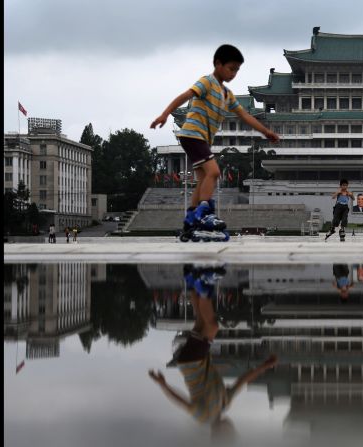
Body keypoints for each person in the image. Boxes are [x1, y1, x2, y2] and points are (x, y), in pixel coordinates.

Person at [151, 44, 280, 237]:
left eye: (237, 70)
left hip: (198, 139)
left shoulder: (226, 94)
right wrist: (164, 114)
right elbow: (185, 95)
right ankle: (204, 214)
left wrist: (265, 132)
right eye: (231, 68)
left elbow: (245, 116)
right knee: (214, 172)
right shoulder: (207, 82)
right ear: (218, 64)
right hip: (193, 134)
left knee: (203, 180)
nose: (233, 73)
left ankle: (190, 221)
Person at [148, 265, 278, 434]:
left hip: (193, 363)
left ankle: (204, 285)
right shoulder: (223, 405)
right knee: (201, 322)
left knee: (212, 326)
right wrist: (264, 366)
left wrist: (163, 385)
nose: (232, 427)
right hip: (191, 362)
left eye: (230, 431)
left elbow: (181, 402)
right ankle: (191, 279)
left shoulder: (203, 417)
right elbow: (242, 380)